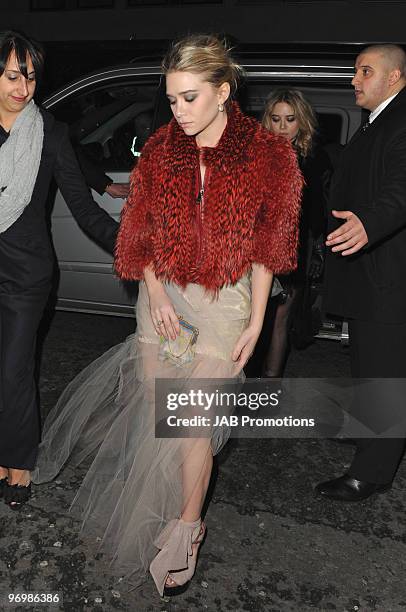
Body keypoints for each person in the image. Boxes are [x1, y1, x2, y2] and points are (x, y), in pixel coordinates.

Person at [32, 34, 302, 594]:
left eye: (189, 98)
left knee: (191, 430)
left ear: (223, 92)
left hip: (226, 304)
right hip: (162, 297)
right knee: (160, 417)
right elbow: (138, 233)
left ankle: (187, 529)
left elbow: (269, 249)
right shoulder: (160, 148)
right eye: (172, 98)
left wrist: (255, 321)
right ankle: (163, 512)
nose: (177, 111)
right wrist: (152, 294)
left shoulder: (270, 156)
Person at [0, 31, 118, 508]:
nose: (22, 87)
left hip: (26, 276)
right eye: (12, 75)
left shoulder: (49, 133)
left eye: (30, 77)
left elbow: (84, 209)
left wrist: (135, 246)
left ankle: (20, 462)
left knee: (13, 371)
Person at [316, 44, 406, 501]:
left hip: (388, 276)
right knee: (370, 368)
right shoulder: (380, 122)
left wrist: (370, 223)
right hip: (370, 273)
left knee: (386, 373)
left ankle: (372, 472)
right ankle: (374, 435)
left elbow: (401, 189)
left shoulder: (402, 121)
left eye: (365, 71)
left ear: (394, 77)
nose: (355, 80)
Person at [261, 89, 331, 377]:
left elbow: (318, 214)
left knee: (279, 321)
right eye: (275, 119)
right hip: (256, 251)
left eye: (290, 119)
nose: (281, 127)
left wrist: (316, 254)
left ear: (301, 121)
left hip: (293, 253)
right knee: (252, 322)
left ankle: (267, 389)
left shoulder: (314, 160)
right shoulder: (257, 155)